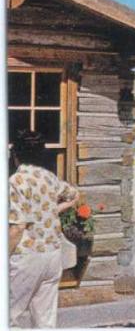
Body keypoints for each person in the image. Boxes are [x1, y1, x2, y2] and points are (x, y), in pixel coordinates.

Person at [8, 130, 79, 328]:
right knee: (45, 320)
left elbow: (17, 227)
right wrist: (54, 209)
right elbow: (74, 195)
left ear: (15, 155)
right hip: (52, 255)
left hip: (27, 257)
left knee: (7, 315)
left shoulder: (16, 181)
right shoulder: (49, 178)